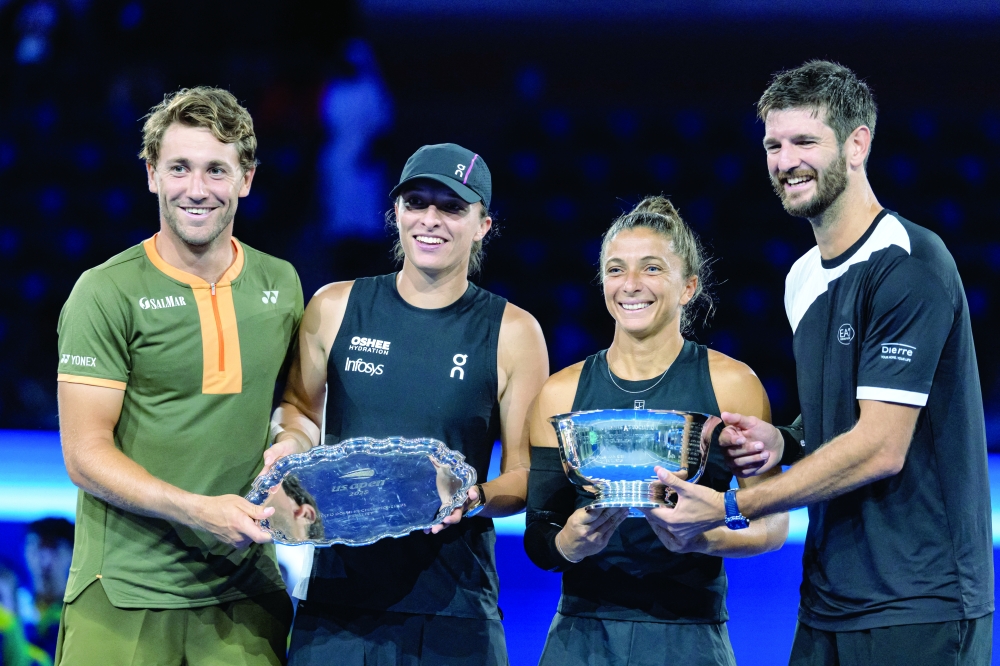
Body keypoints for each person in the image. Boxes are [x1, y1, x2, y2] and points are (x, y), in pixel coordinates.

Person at [652, 60, 993, 665]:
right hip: (828, 600)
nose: (785, 162)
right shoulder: (802, 278)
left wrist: (735, 505)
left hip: (921, 603)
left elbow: (880, 445)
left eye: (805, 141)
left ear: (858, 143)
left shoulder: (909, 262)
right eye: (773, 145)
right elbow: (842, 415)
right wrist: (784, 441)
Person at [267, 143, 549, 665]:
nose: (430, 220)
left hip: (452, 604)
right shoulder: (334, 305)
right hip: (337, 603)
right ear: (395, 212)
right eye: (416, 202)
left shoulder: (513, 332)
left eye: (451, 207)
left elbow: (527, 476)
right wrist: (288, 445)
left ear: (483, 224)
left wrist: (470, 496)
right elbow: (300, 410)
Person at [55, 87, 303, 665]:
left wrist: (293, 441)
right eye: (180, 168)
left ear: (246, 178)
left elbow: (295, 406)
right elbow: (85, 453)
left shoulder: (282, 283)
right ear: (152, 175)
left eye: (217, 169)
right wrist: (198, 509)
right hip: (123, 594)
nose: (197, 189)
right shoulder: (105, 291)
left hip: (245, 594)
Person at [525, 196, 788, 666]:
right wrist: (568, 543)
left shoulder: (733, 384)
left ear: (688, 287)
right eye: (615, 269)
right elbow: (540, 536)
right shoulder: (558, 394)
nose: (630, 285)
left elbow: (772, 525)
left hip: (690, 636)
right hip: (581, 637)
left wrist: (704, 536)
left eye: (651, 269)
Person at [22, 518, 73, 660]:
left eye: (54, 549)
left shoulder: (83, 613)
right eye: (36, 548)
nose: (44, 561)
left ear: (73, 554)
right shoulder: (13, 609)